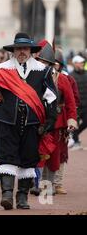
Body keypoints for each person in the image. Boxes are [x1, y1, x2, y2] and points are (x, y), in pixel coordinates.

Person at [0, 33, 58, 210]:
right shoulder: (2, 69)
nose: (22, 52)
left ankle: (22, 198)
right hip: (7, 120)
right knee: (6, 155)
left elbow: (50, 96)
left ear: (31, 51)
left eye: (25, 48)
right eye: (18, 48)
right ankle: (7, 195)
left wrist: (50, 119)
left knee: (29, 158)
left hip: (33, 122)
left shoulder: (42, 70)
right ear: (13, 50)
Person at [34, 43, 77, 195]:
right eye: (41, 62)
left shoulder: (62, 79)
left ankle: (49, 185)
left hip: (57, 122)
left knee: (54, 155)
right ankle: (36, 184)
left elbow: (71, 102)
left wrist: (71, 120)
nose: (42, 65)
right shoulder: (33, 76)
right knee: (37, 153)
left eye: (45, 62)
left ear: (52, 65)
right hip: (38, 120)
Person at [69, 55, 87, 150]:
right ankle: (75, 142)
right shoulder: (71, 76)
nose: (82, 64)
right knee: (74, 123)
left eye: (82, 63)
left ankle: (74, 136)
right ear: (75, 63)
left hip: (86, 104)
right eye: (80, 63)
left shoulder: (86, 74)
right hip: (76, 105)